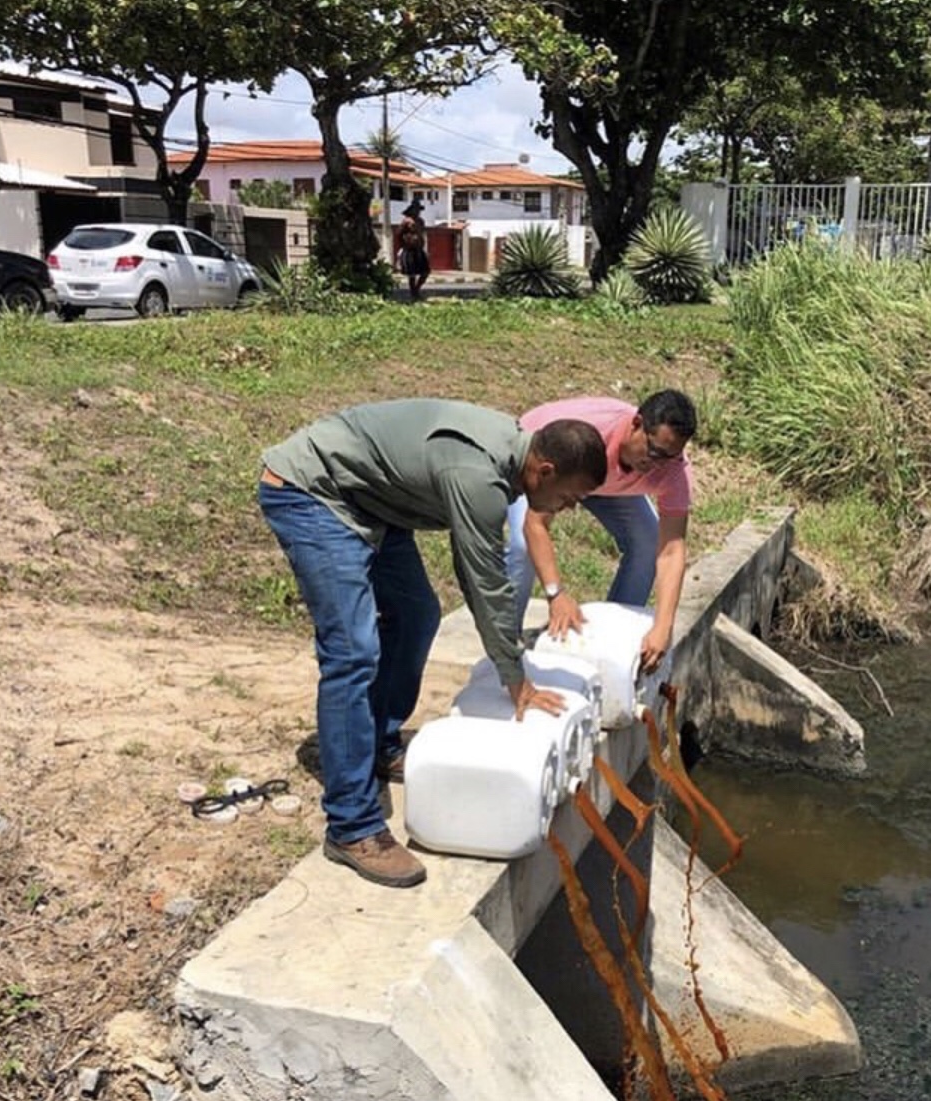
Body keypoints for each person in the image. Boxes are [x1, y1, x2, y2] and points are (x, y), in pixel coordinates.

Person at [259, 399, 607, 889]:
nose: (569, 509)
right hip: (313, 492)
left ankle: (380, 743)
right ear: (544, 469)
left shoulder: (510, 455)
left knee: (418, 615)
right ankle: (351, 825)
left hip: (372, 499)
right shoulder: (478, 477)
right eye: (570, 497)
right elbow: (483, 581)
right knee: (353, 653)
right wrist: (515, 679)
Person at [507, 389, 696, 676]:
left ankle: (607, 647)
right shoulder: (589, 439)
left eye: (670, 457)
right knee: (522, 547)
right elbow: (535, 524)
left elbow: (671, 549)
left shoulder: (672, 469)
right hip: (549, 457)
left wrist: (663, 626)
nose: (657, 465)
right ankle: (505, 647)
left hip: (609, 481)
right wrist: (555, 594)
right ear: (636, 424)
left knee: (647, 541)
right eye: (654, 452)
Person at [398, 199, 430, 302]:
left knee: (425, 272)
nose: (417, 212)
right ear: (411, 210)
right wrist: (405, 244)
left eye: (418, 210)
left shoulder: (421, 221)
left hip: (419, 249)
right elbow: (398, 234)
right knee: (411, 274)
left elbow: (422, 234)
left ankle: (416, 290)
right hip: (409, 249)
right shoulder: (406, 221)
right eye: (415, 210)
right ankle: (413, 294)